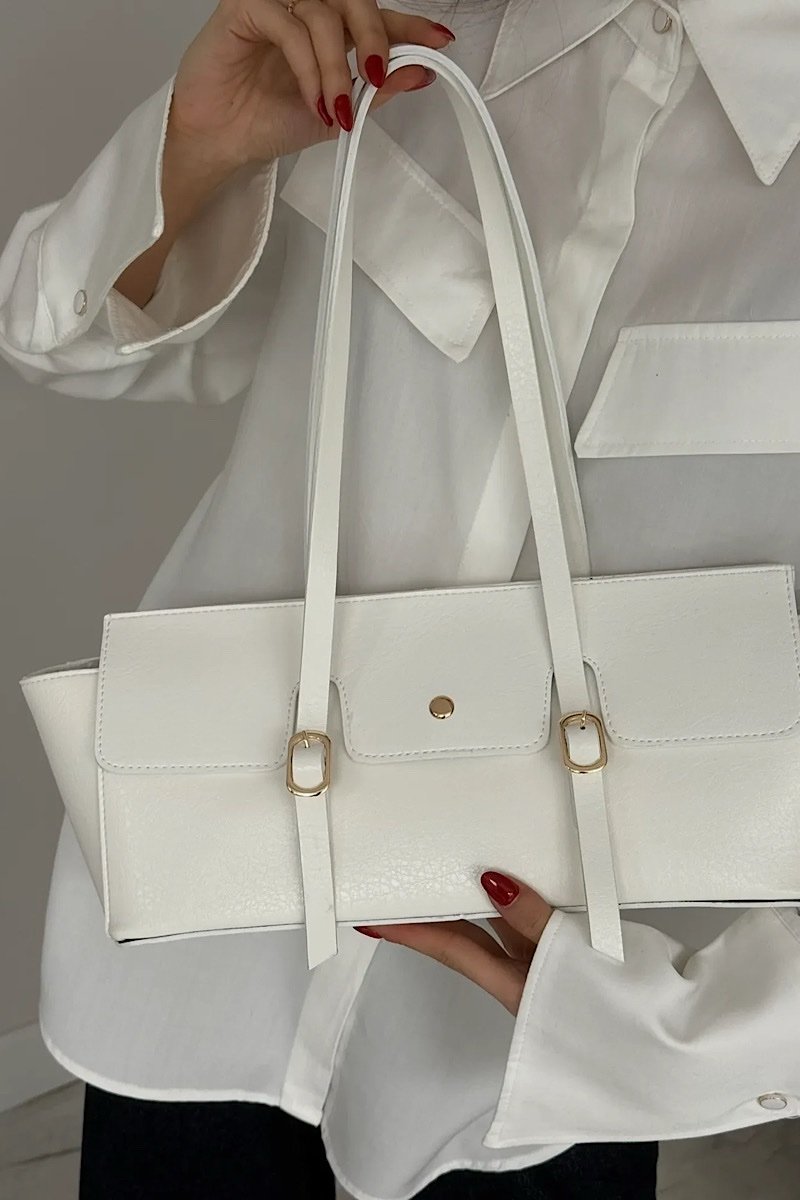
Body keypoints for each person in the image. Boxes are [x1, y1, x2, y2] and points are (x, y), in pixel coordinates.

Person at [2, 0, 800, 1196]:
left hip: (535, 1035)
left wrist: (700, 1031)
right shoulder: (391, 43)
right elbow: (52, 332)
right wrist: (197, 147)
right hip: (198, 935)